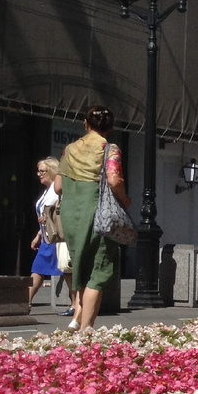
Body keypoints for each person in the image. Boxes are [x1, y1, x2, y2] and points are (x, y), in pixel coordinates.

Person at [55, 105, 131, 331]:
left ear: (85, 124)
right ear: (110, 128)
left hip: (70, 215)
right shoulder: (109, 149)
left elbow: (58, 187)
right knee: (98, 270)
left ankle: (77, 317)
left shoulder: (68, 150)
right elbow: (114, 180)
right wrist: (125, 200)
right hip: (98, 215)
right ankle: (86, 327)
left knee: (80, 265)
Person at [29, 157, 71, 308]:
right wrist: (38, 235)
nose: (39, 174)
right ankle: (25, 300)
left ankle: (76, 304)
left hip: (56, 237)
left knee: (64, 269)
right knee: (42, 268)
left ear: (52, 171)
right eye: (38, 171)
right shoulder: (48, 190)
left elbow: (57, 211)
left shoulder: (56, 189)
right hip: (47, 236)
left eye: (42, 171)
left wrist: (47, 218)